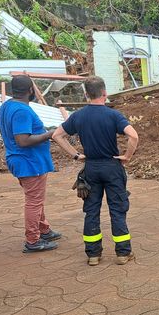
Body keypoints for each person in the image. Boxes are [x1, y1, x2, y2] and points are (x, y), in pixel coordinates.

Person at [52, 76, 139, 266]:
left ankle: (93, 254)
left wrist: (76, 155)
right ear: (105, 93)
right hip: (112, 167)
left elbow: (57, 135)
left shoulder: (78, 116)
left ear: (86, 94)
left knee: (91, 211)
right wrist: (127, 156)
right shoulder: (113, 115)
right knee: (117, 210)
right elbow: (133, 136)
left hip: (90, 168)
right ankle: (123, 253)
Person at [0, 74, 62, 253]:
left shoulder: (8, 105)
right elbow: (23, 140)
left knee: (36, 198)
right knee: (34, 201)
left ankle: (44, 230)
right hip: (29, 162)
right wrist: (49, 134)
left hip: (23, 160)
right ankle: (33, 240)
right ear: (30, 90)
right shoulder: (21, 111)